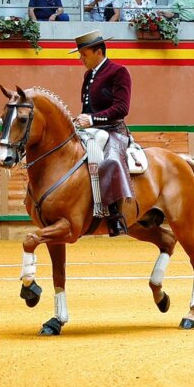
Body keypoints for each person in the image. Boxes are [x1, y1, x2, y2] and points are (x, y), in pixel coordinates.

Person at [70, 30, 134, 236]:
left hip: (113, 130)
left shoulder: (119, 71)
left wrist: (93, 119)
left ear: (98, 52)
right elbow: (88, 107)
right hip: (90, 130)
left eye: (84, 54)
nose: (81, 59)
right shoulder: (89, 74)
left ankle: (115, 216)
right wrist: (81, 119)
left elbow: (122, 108)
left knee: (112, 161)